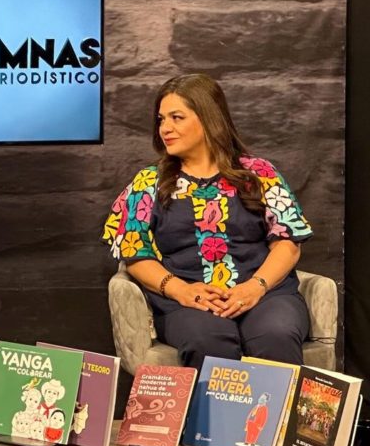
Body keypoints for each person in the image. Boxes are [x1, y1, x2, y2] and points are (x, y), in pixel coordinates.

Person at [102, 73, 312, 371]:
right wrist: (181, 290)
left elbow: (288, 242)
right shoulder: (148, 182)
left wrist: (255, 287)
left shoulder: (259, 174)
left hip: (264, 294)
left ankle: (276, 405)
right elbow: (134, 254)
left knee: (274, 334)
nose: (165, 128)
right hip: (187, 300)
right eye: (161, 119)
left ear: (209, 118)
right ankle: (213, 406)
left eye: (176, 117)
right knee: (209, 340)